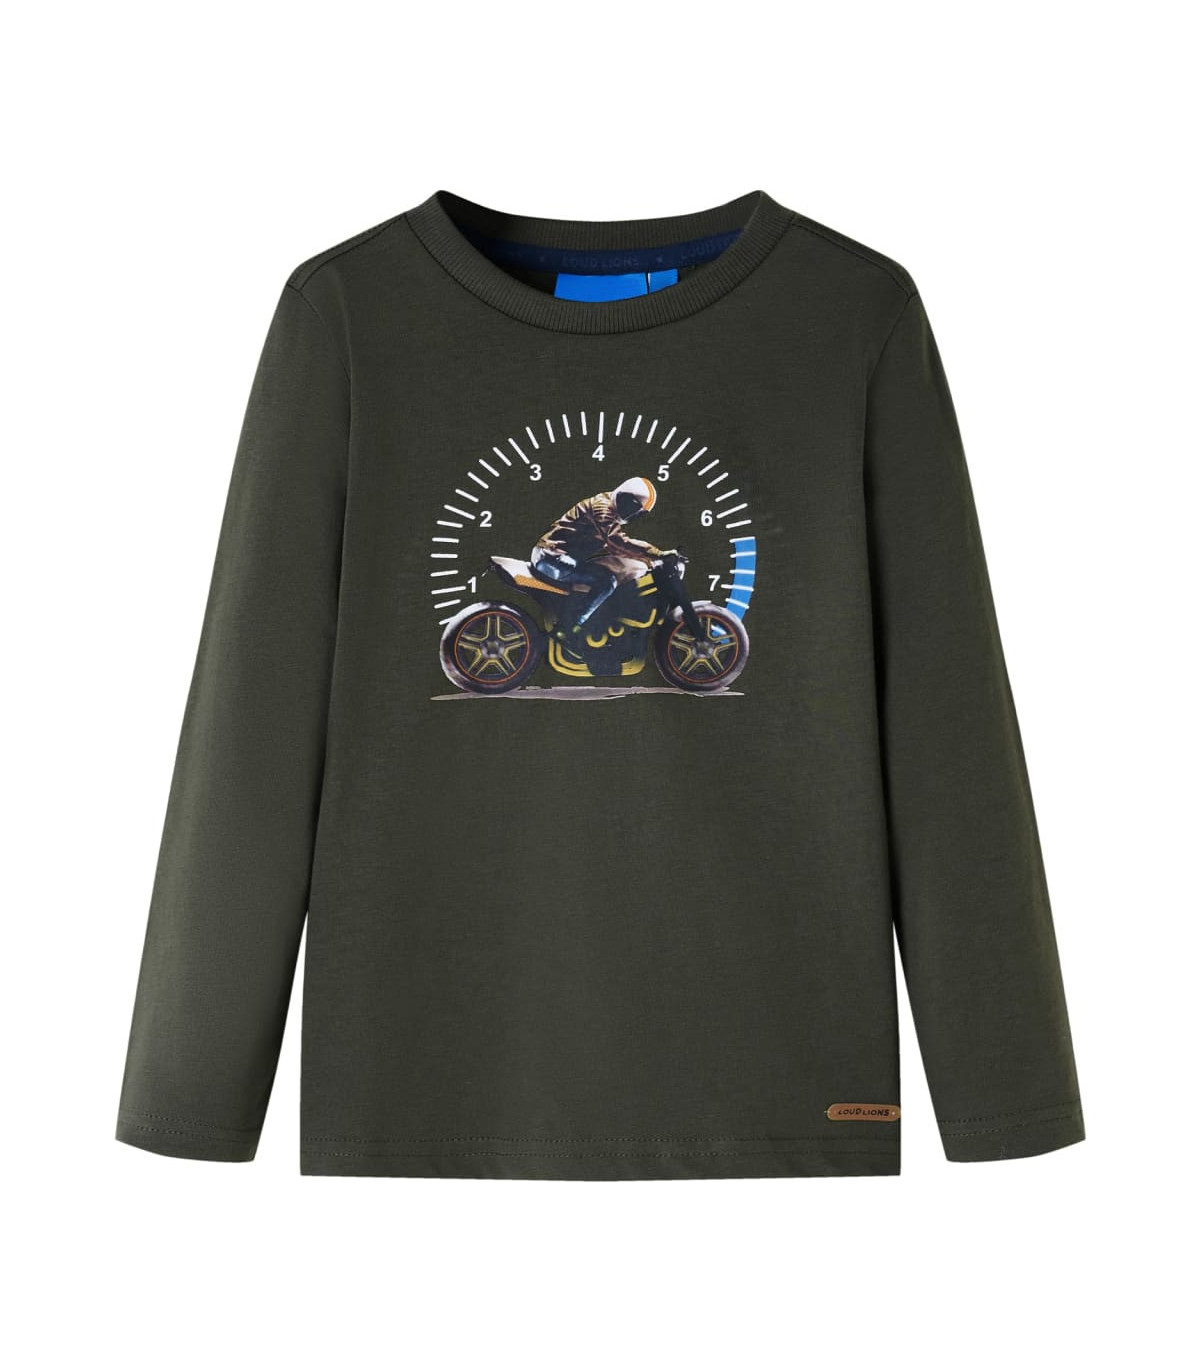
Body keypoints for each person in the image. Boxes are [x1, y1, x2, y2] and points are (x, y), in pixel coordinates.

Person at [531, 477, 670, 634]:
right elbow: (616, 541)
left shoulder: (608, 509)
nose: (631, 512)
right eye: (631, 505)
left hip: (556, 556)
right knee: (607, 581)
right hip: (552, 558)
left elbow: (614, 547)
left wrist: (648, 560)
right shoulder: (603, 508)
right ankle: (569, 628)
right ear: (622, 495)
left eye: (637, 511)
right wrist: (657, 554)